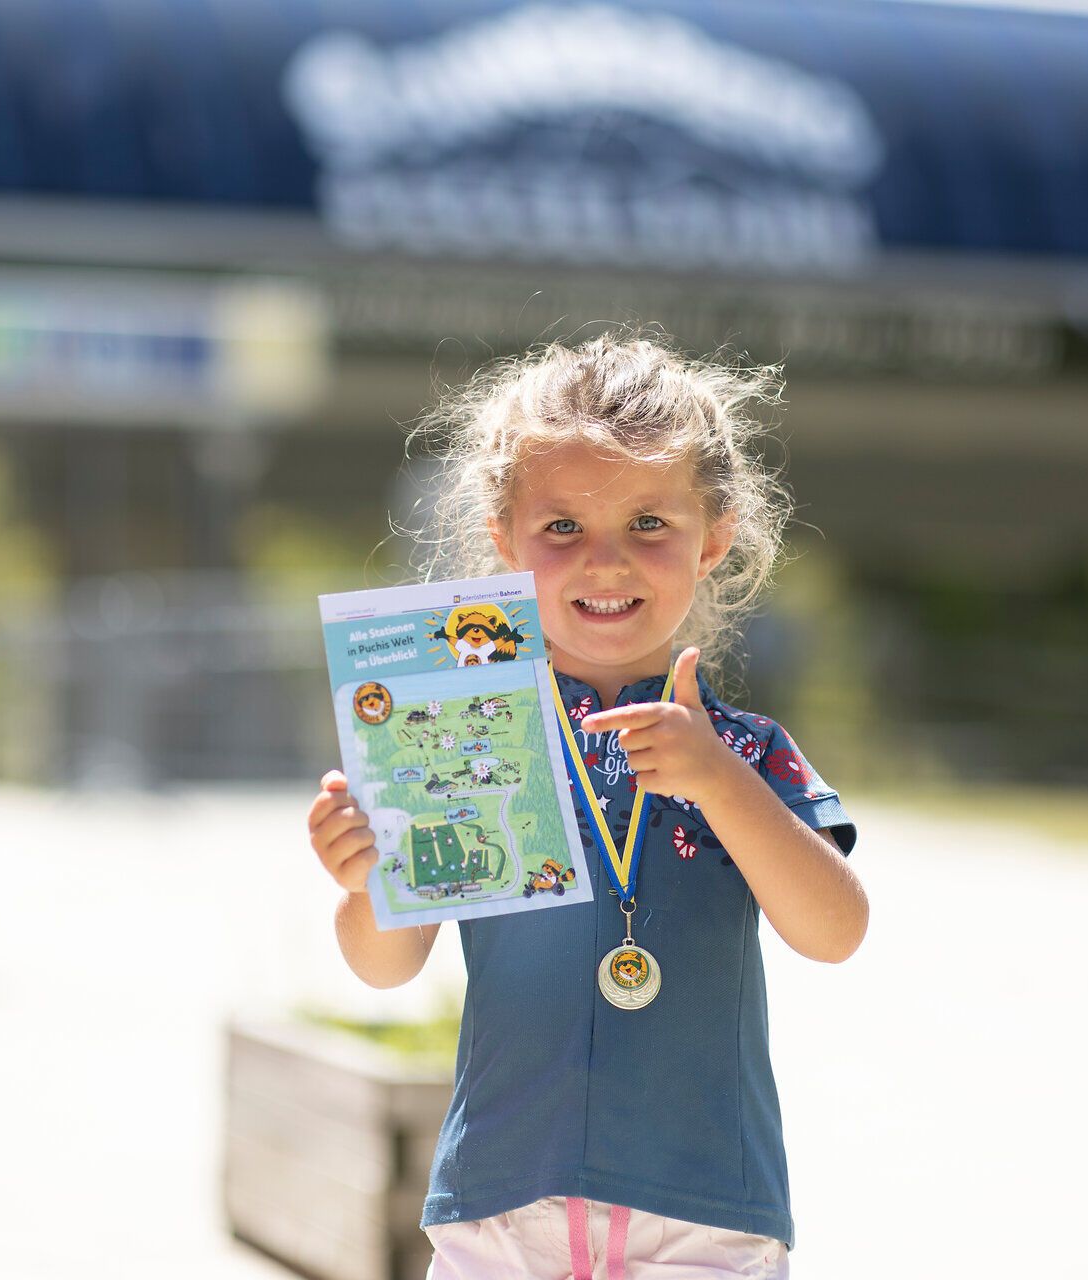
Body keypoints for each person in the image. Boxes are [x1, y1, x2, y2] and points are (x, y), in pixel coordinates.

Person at [306, 331, 868, 1280]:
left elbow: (836, 929)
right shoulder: (462, 734)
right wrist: (365, 883)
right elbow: (384, 966)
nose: (605, 564)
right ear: (504, 538)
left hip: (702, 1212)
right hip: (499, 1205)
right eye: (562, 528)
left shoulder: (744, 749)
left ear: (715, 537)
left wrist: (718, 782)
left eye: (650, 523)